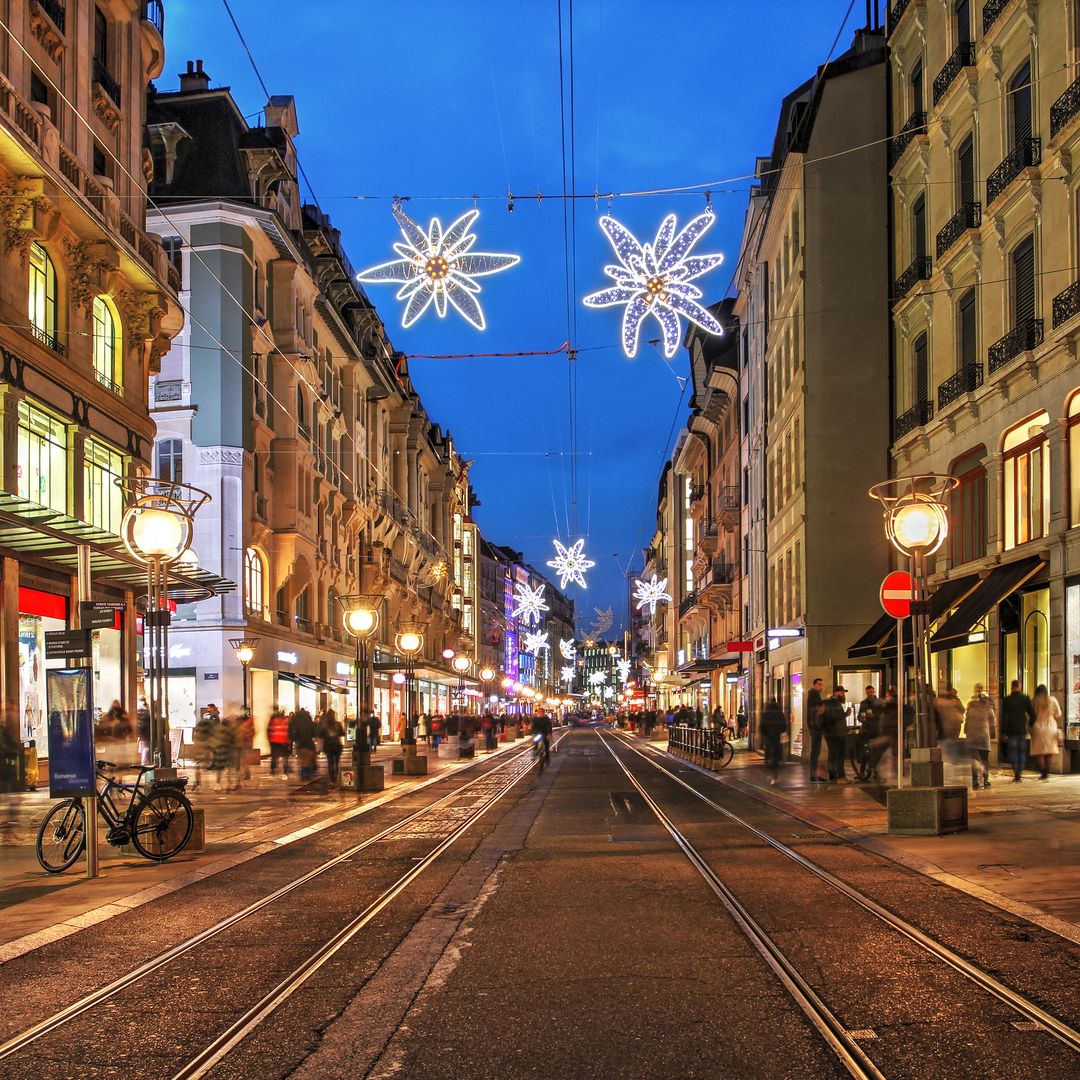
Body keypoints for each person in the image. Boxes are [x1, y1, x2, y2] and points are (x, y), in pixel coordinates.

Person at [1002, 680, 1036, 782]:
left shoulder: (1007, 699)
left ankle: (1015, 770)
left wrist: (1003, 730)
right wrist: (1030, 724)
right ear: (1019, 687)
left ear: (1011, 687)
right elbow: (1033, 714)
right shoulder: (1025, 698)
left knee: (1012, 752)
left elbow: (1003, 716)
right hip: (1021, 729)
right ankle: (1019, 772)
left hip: (1011, 730)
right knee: (1021, 752)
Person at [965, 684, 996, 790]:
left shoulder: (970, 706)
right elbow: (993, 722)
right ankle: (986, 780)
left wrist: (966, 731)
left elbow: (967, 720)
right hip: (983, 735)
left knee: (974, 759)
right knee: (984, 759)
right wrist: (992, 733)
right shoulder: (988, 708)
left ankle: (974, 781)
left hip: (972, 735)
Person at [1030, 685, 1062, 781]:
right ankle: (1046, 772)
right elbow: (1059, 714)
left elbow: (1029, 715)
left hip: (1038, 727)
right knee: (1049, 752)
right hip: (1050, 727)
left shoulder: (1034, 702)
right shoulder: (1052, 700)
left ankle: (1042, 771)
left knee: (1039, 752)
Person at [935, 687, 966, 785]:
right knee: (950, 753)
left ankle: (947, 777)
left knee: (946, 753)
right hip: (953, 729)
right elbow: (963, 710)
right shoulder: (955, 702)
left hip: (945, 732)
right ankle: (950, 776)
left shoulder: (939, 704)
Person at [821, 685, 849, 784]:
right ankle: (841, 777)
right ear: (836, 693)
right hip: (836, 733)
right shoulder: (835, 703)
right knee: (839, 755)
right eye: (842, 692)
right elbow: (835, 717)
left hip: (829, 733)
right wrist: (846, 714)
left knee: (832, 754)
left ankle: (832, 776)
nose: (843, 695)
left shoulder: (827, 702)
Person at [761, 698, 787, 785]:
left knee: (769, 750)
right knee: (776, 752)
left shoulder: (766, 713)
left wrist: (764, 733)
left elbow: (762, 725)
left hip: (769, 736)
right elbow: (784, 725)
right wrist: (781, 731)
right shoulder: (780, 713)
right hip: (777, 736)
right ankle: (775, 770)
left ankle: (769, 763)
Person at [856, 687, 879, 781]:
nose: (870, 693)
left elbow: (882, 714)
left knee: (876, 751)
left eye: (871, 691)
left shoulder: (879, 702)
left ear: (874, 691)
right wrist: (862, 718)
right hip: (866, 730)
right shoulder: (863, 703)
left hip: (876, 730)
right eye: (868, 692)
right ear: (866, 692)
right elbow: (859, 716)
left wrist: (875, 716)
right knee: (865, 750)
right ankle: (862, 770)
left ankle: (876, 771)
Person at [806, 677, 825, 783]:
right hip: (816, 727)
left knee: (815, 751)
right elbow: (817, 712)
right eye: (819, 684)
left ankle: (814, 775)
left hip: (815, 727)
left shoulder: (813, 695)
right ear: (814, 685)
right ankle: (813, 775)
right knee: (815, 751)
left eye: (822, 684)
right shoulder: (814, 696)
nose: (821, 687)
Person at [292, 707, 318, 780]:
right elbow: (314, 733)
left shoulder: (296, 723)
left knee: (303, 761)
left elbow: (294, 734)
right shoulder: (310, 724)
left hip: (300, 744)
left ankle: (303, 775)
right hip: (308, 744)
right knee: (307, 761)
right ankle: (306, 775)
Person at [319, 707, 344, 783]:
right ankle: (335, 775)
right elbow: (342, 733)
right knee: (336, 762)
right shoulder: (337, 724)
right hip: (336, 746)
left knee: (330, 762)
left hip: (328, 746)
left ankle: (333, 777)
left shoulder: (325, 725)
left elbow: (320, 735)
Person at [268, 709, 291, 777]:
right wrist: (288, 740)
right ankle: (286, 770)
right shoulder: (285, 721)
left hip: (274, 741)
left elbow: (269, 731)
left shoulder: (272, 721)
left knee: (274, 757)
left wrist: (269, 740)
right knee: (285, 757)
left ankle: (272, 770)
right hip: (284, 741)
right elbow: (288, 731)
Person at [136, 700, 152, 766]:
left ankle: (144, 763)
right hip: (146, 735)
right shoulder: (146, 714)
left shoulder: (140, 712)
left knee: (144, 749)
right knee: (146, 748)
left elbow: (141, 725)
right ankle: (144, 763)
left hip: (144, 735)